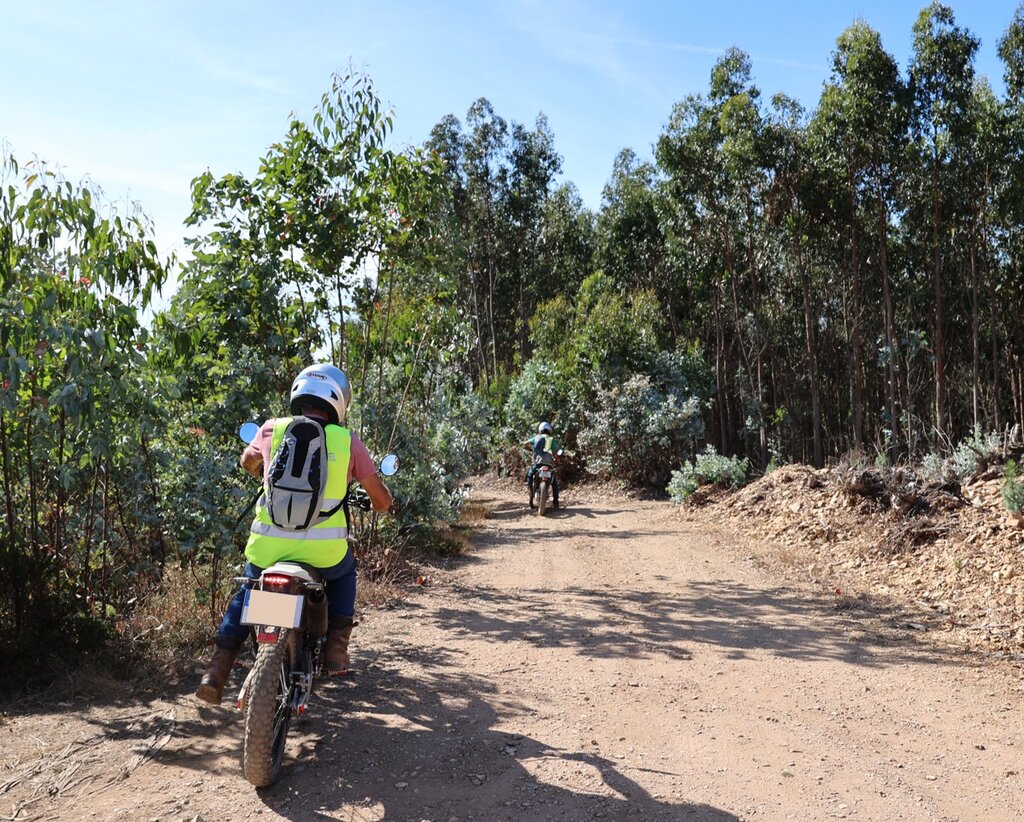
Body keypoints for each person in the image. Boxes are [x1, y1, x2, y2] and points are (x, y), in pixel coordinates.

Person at [196, 363, 392, 705]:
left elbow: (247, 461)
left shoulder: (273, 428)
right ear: (338, 401)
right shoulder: (347, 442)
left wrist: (264, 470)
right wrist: (381, 503)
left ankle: (217, 669)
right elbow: (381, 499)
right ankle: (335, 649)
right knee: (345, 572)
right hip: (324, 553)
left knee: (248, 589)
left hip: (268, 548)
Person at [523, 421, 562, 510]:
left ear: (540, 430)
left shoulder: (536, 438)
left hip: (538, 464)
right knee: (554, 483)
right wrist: (556, 459)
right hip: (549, 465)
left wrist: (529, 448)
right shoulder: (551, 440)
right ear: (549, 430)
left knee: (530, 474)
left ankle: (530, 490)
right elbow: (555, 453)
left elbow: (525, 443)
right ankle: (556, 502)